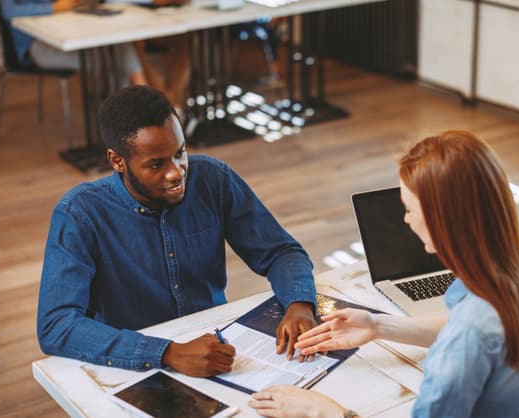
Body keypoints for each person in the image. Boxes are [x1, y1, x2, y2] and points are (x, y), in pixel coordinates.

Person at [249, 131, 519, 417]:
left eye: (408, 209)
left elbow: (470, 337)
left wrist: (323, 411)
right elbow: (476, 335)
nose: (406, 221)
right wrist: (378, 325)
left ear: (441, 219)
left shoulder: (472, 331)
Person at [37, 85, 318, 376]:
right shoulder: (79, 214)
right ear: (117, 161)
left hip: (218, 350)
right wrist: (168, 353)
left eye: (180, 152)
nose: (176, 172)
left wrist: (299, 303)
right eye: (156, 164)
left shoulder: (212, 178)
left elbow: (281, 251)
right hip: (133, 365)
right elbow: (56, 325)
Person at [0, 0, 148, 86]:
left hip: (57, 34)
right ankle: (137, 109)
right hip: (34, 48)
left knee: (119, 47)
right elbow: (8, 11)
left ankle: (135, 106)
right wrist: (53, 8)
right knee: (115, 58)